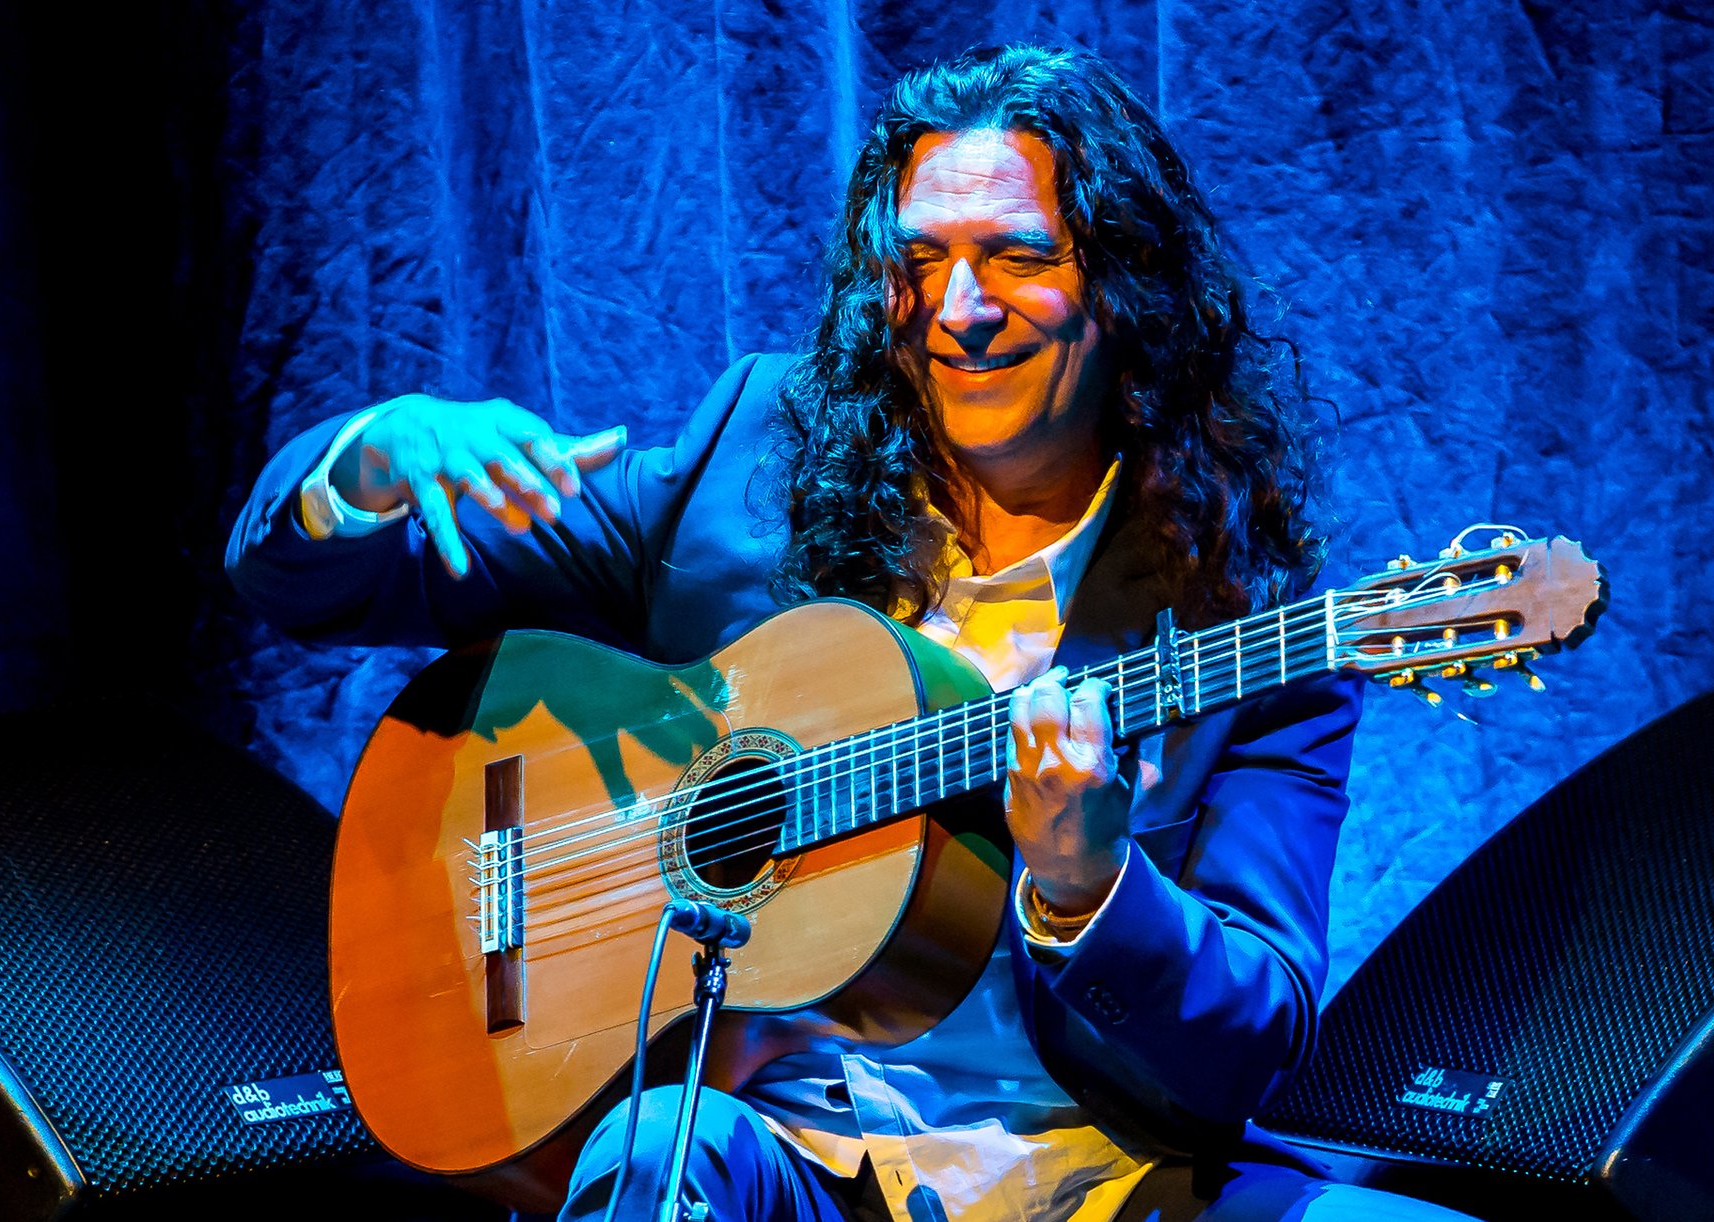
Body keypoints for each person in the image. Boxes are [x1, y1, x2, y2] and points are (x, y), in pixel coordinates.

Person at [228, 42, 1475, 1222]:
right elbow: (311, 585)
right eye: (921, 260)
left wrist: (1094, 886)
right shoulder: (747, 474)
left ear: (1127, 289)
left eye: (1018, 258)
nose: (961, 308)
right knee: (655, 1156)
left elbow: (1253, 1043)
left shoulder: (1240, 624)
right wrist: (369, 466)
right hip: (786, 1162)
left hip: (1101, 1177)